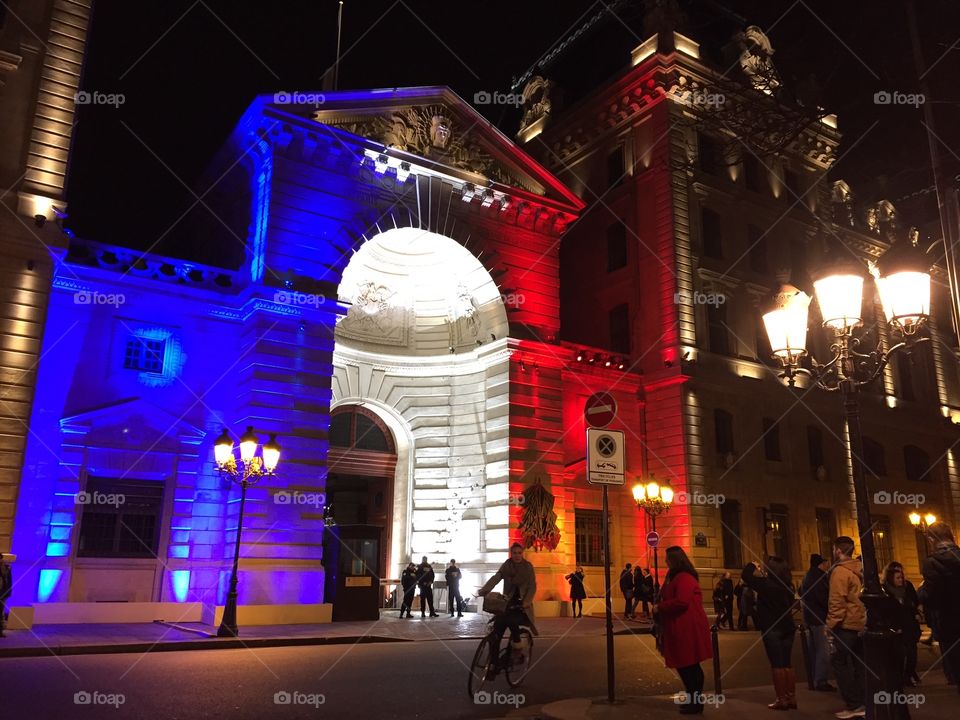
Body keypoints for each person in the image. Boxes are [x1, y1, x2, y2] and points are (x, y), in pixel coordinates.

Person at [655, 546, 712, 715]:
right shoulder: (675, 576)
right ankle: (693, 700)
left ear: (675, 560)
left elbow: (681, 601)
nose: (665, 561)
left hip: (687, 626)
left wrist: (660, 607)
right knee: (686, 665)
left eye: (668, 558)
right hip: (679, 625)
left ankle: (696, 702)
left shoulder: (685, 577)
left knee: (689, 665)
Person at [743, 557, 798, 710]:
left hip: (772, 627)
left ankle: (781, 699)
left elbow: (746, 576)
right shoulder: (788, 585)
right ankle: (791, 697)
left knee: (777, 664)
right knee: (787, 663)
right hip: (788, 627)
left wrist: (752, 565)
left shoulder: (765, 584)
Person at [478, 542, 538, 678]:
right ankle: (494, 664)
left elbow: (532, 586)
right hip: (507, 603)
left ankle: (517, 649)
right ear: (511, 554)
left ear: (522, 554)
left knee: (511, 621)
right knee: (496, 632)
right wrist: (484, 590)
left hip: (521, 606)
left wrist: (526, 602)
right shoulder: (507, 565)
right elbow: (496, 577)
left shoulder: (528, 567)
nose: (517, 556)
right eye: (514, 553)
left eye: (519, 553)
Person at [826, 536, 866, 718]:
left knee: (839, 662)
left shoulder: (840, 572)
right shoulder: (859, 569)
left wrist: (830, 625)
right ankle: (864, 701)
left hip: (846, 624)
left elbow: (837, 601)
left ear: (838, 551)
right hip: (859, 622)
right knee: (859, 664)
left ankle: (854, 704)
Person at [921, 521, 960, 692]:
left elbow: (931, 596)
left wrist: (920, 593)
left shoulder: (932, 562)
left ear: (931, 540)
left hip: (948, 624)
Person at [882, 561, 921, 687]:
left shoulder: (907, 587)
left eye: (901, 577)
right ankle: (899, 678)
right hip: (896, 627)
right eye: (897, 577)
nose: (900, 579)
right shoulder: (885, 591)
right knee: (898, 655)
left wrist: (915, 613)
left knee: (911, 654)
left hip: (909, 625)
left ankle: (908, 675)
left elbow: (914, 602)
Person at [800, 553, 835, 692]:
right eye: (826, 563)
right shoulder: (819, 578)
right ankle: (821, 680)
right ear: (821, 564)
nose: (827, 565)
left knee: (814, 650)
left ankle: (814, 678)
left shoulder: (808, 576)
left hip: (811, 618)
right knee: (823, 651)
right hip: (819, 618)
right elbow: (823, 598)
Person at [0, 553, 11, 637]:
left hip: (2, 593)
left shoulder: (6, 567)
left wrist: (8, 592)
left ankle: (0, 631)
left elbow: (9, 581)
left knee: (1, 613)